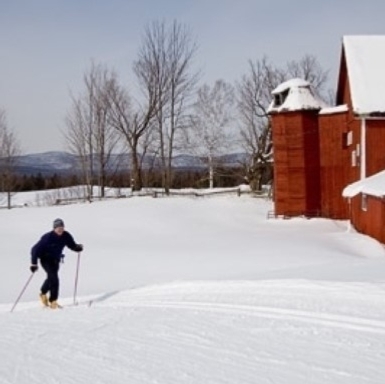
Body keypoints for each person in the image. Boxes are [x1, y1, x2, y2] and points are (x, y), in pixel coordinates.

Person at [30, 218, 83, 309]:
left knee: (51, 278)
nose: (60, 229)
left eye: (62, 227)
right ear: (54, 228)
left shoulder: (66, 235)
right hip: (45, 259)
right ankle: (53, 301)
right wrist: (34, 264)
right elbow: (35, 250)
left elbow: (71, 245)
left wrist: (76, 248)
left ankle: (43, 293)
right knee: (54, 278)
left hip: (56, 260)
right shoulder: (47, 237)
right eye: (58, 228)